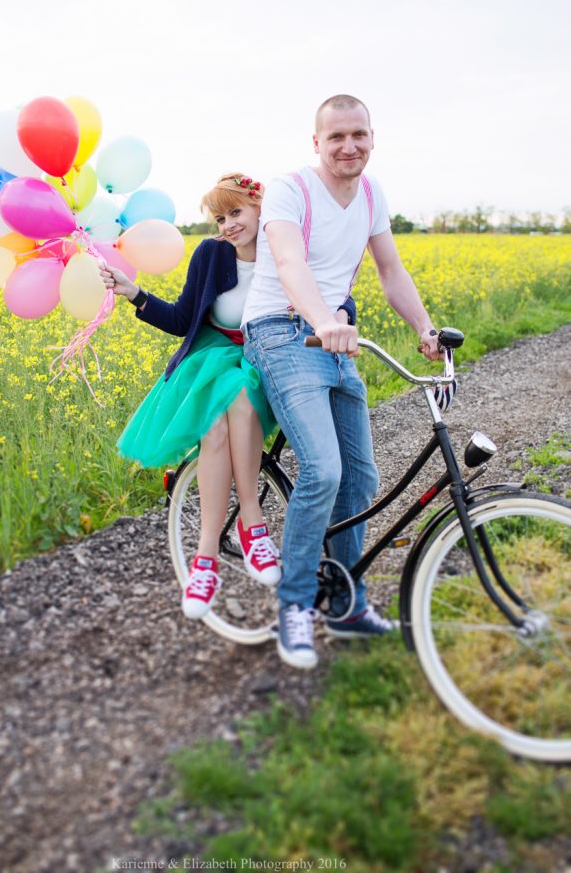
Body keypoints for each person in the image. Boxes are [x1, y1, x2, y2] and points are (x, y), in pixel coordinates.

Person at [242, 95, 442, 669]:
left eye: (358, 135)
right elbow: (288, 263)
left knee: (359, 476)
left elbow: (389, 269)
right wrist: (323, 319)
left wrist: (425, 329)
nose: (348, 146)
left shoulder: (373, 195)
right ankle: (296, 604)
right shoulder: (291, 190)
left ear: (372, 137)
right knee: (323, 469)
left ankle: (344, 602)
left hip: (331, 334)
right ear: (317, 143)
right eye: (336, 137)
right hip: (282, 331)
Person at [100, 173, 356, 620]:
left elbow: (336, 296)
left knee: (238, 395)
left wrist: (338, 315)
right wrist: (135, 294)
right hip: (216, 357)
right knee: (217, 423)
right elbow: (184, 318)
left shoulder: (289, 247)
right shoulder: (211, 254)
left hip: (273, 356)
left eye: (236, 212)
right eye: (220, 218)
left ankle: (248, 523)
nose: (228, 225)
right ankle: (212, 555)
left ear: (261, 207)